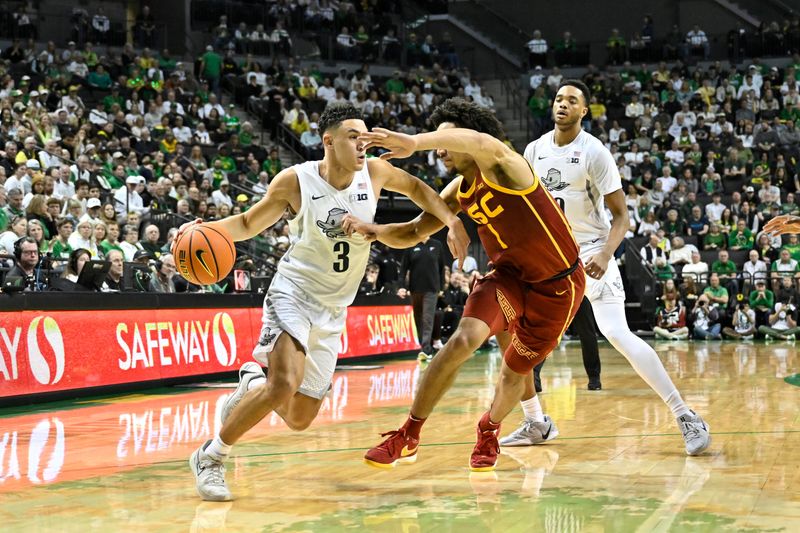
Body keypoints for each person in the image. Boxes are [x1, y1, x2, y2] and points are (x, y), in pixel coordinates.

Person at [185, 103, 469, 501]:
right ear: (329, 141)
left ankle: (252, 382)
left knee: (300, 418)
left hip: (335, 308)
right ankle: (211, 457)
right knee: (283, 383)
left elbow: (420, 190)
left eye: (366, 136)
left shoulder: (374, 172)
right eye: (354, 136)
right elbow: (249, 223)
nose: (363, 143)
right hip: (294, 293)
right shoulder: (296, 181)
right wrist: (206, 229)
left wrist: (452, 220)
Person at [346, 97, 586, 472]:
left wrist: (413, 141)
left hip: (557, 286)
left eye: (448, 140)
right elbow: (413, 230)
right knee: (462, 339)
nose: (440, 150)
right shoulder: (460, 189)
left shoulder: (508, 167)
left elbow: (481, 143)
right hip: (508, 278)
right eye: (438, 141)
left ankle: (489, 428)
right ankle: (409, 434)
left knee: (513, 373)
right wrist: (375, 232)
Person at [511, 80, 710, 455]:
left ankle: (686, 415)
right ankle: (535, 421)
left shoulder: (594, 152)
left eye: (572, 100)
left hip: (590, 255)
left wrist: (605, 254)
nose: (563, 105)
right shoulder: (534, 150)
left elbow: (621, 217)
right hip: (551, 257)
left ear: (584, 111)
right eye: (558, 99)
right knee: (519, 332)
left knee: (618, 334)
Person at [401, 235, 446, 358]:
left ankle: (426, 349)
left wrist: (442, 287)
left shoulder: (437, 245)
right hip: (415, 288)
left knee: (427, 318)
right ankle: (421, 345)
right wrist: (402, 286)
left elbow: (442, 268)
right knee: (417, 318)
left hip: (432, 289)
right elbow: (403, 268)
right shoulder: (411, 243)